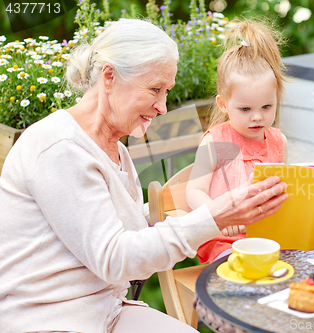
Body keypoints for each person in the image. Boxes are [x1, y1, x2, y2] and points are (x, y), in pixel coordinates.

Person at [0, 19, 288, 333]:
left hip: (107, 312)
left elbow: (123, 233)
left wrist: (177, 215)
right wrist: (214, 217)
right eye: (155, 89)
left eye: (167, 92)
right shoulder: (60, 147)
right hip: (46, 320)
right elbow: (114, 258)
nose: (163, 107)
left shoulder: (118, 152)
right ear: (109, 77)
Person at [185, 19, 288, 264]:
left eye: (266, 106)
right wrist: (221, 216)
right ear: (223, 104)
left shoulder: (278, 141)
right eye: (245, 108)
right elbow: (194, 191)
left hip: (268, 237)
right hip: (224, 239)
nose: (257, 116)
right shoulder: (216, 141)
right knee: (239, 269)